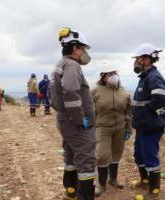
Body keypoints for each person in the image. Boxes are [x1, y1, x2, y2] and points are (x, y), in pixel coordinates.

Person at [50, 27, 96, 200]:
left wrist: (66, 116)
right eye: (83, 48)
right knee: (86, 159)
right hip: (77, 124)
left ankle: (70, 192)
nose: (85, 52)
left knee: (71, 155)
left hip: (65, 121)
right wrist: (79, 118)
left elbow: (55, 97)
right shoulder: (72, 65)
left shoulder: (59, 65)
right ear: (75, 48)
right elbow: (70, 91)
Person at [131, 43, 165, 200]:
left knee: (150, 157)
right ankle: (144, 181)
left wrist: (146, 111)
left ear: (146, 59)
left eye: (139, 58)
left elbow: (160, 98)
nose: (137, 62)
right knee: (139, 154)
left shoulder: (154, 77)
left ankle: (153, 191)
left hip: (151, 126)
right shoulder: (145, 77)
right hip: (143, 126)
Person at [91, 68, 132, 197]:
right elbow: (89, 109)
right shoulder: (95, 91)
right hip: (102, 127)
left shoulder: (124, 92)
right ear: (103, 77)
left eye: (115, 73)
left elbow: (128, 112)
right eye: (110, 74)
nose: (113, 76)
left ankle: (112, 179)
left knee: (116, 154)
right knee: (102, 155)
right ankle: (102, 184)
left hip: (120, 127)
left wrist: (128, 129)